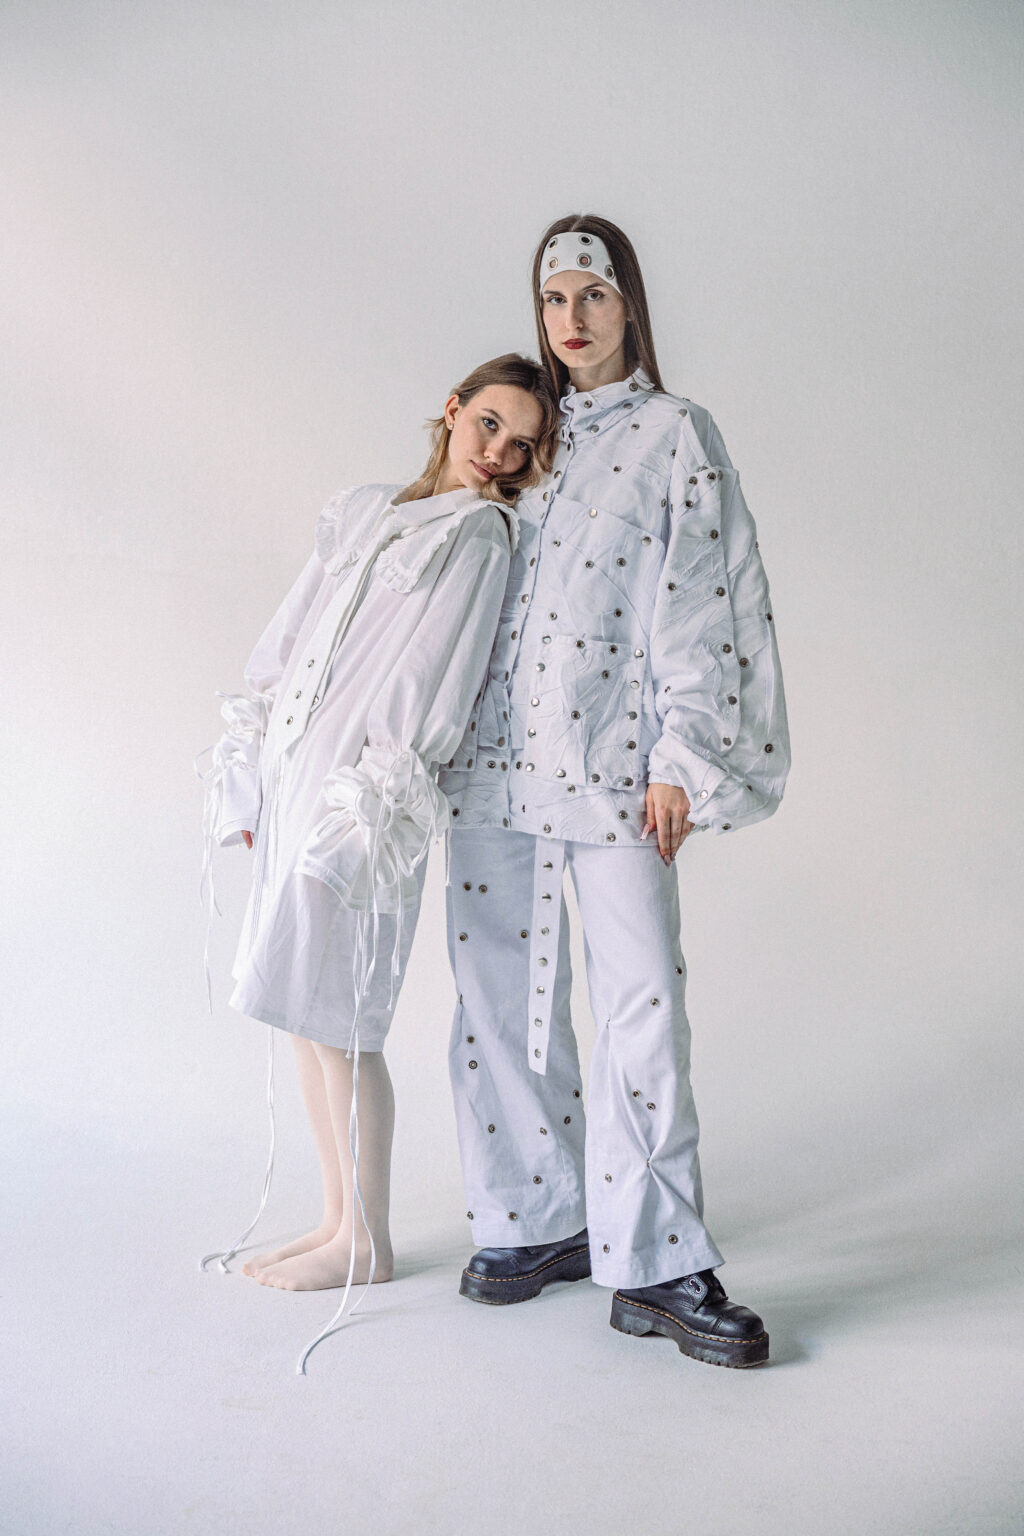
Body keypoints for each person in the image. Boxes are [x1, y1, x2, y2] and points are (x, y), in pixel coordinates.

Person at [439, 218, 790, 1368]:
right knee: (497, 993)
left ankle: (655, 1258)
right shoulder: (523, 439)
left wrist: (682, 757)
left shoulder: (673, 434)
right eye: (553, 299)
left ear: (628, 302)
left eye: (592, 295)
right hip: (490, 758)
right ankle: (534, 1218)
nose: (572, 319)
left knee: (639, 1003)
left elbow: (701, 595)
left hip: (613, 762)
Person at [199, 355, 559, 1364]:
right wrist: (255, 763)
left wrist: (370, 798)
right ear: (452, 410)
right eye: (489, 423)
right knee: (302, 1009)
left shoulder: (479, 537)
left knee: (344, 1015)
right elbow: (291, 635)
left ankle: (366, 1238)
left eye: (521, 443)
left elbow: (434, 677)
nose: (499, 452)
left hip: (363, 792)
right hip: (297, 771)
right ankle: (334, 1216)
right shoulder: (364, 511)